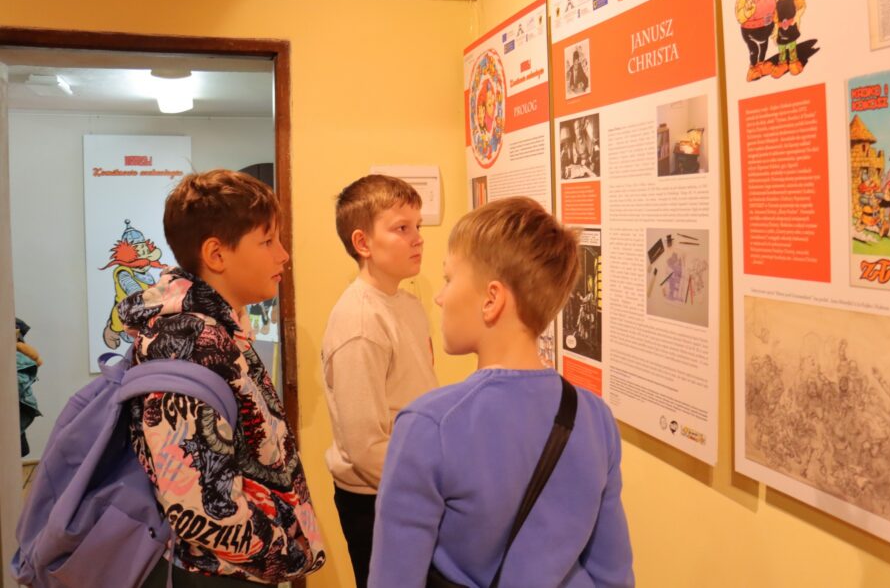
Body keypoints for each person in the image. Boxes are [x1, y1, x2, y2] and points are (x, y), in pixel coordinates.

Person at [370, 197, 634, 587]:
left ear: (492, 299)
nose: (440, 297)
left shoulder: (429, 425)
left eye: (448, 279)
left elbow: (394, 580)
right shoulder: (595, 418)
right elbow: (613, 574)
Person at [117, 170, 325, 587]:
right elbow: (198, 508)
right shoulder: (185, 343)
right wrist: (284, 553)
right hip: (214, 575)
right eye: (267, 241)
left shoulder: (217, 329)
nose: (283, 255)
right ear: (216, 254)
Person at [322, 174, 439, 588]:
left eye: (417, 226)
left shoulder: (406, 303)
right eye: (401, 228)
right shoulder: (360, 322)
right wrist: (432, 487)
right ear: (363, 243)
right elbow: (365, 447)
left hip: (409, 481)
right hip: (378, 498)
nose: (418, 238)